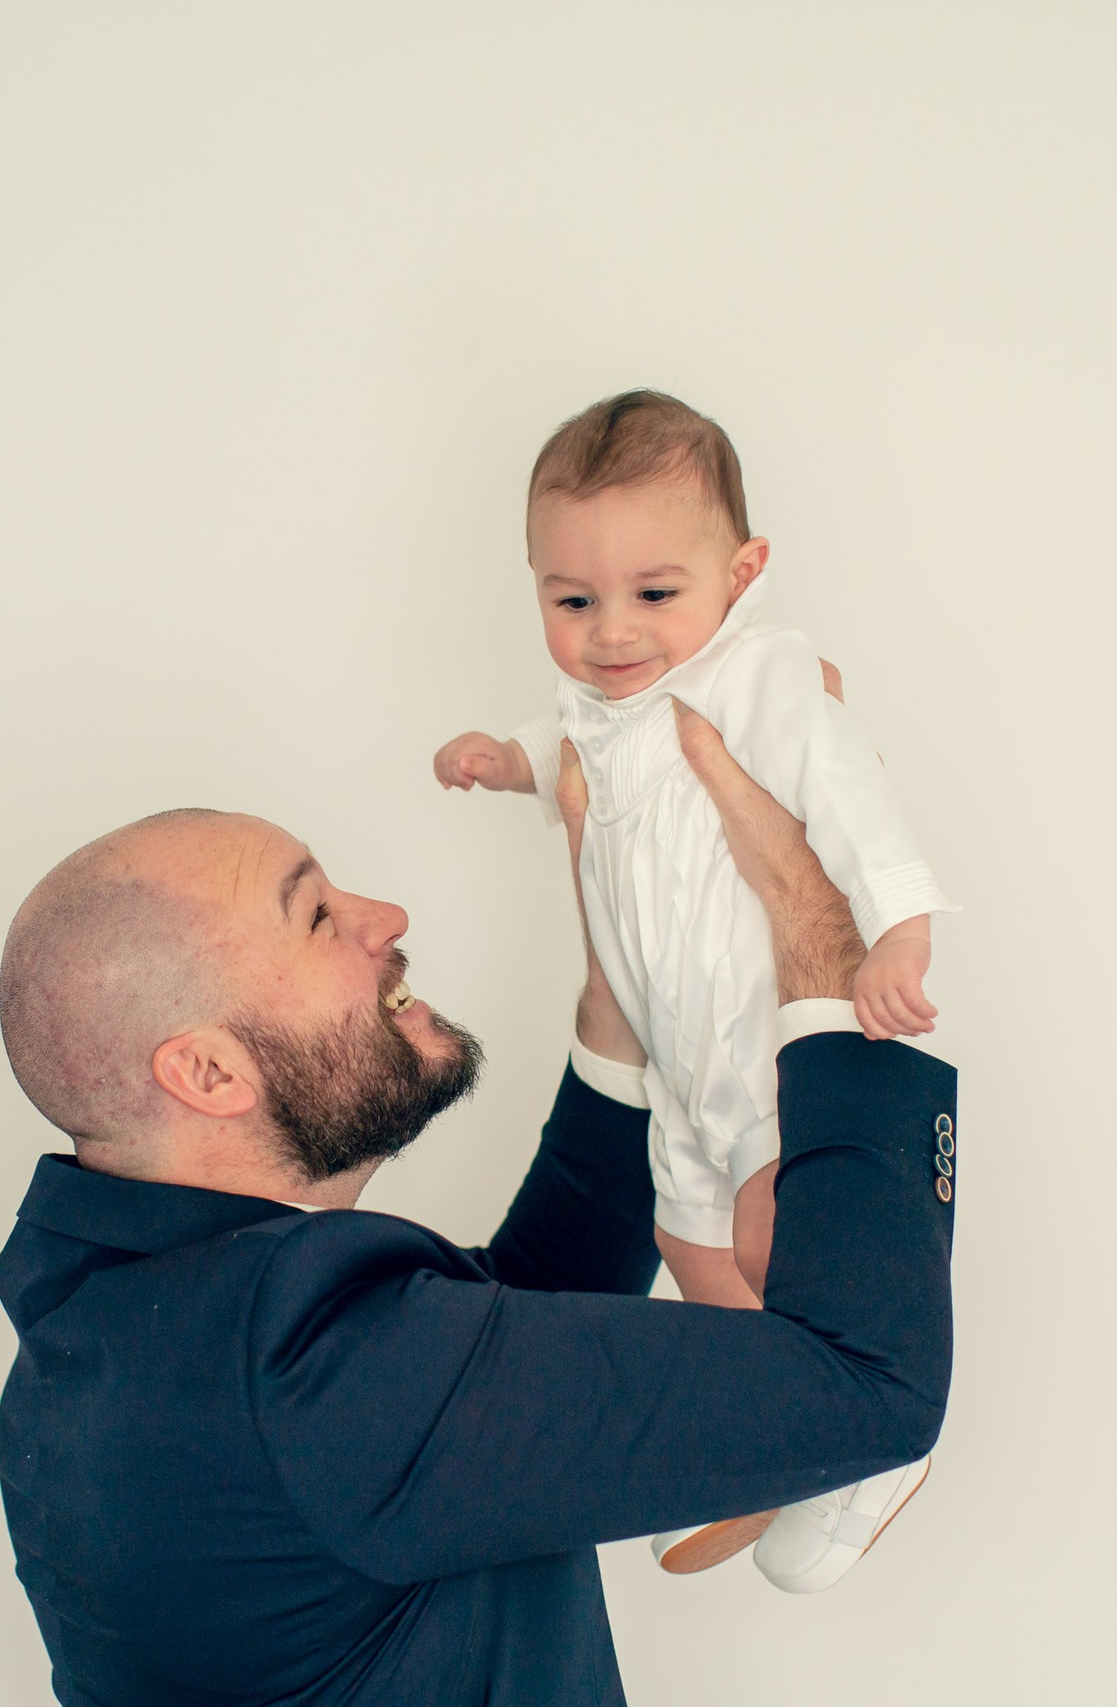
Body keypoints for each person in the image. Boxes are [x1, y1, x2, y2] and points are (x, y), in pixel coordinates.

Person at [0, 716, 958, 1705]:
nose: (385, 916)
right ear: (205, 1070)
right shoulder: (300, 1372)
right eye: (316, 916)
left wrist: (623, 982)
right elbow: (870, 1379)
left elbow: (496, 1347)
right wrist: (820, 928)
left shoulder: (118, 1326)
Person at [431, 388, 958, 1587]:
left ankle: (868, 1436)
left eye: (653, 595)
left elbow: (852, 800)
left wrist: (901, 932)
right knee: (686, 1233)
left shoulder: (763, 678)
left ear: (743, 570)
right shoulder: (593, 704)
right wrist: (503, 760)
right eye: (572, 602)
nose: (612, 632)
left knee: (780, 1239)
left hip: (766, 1041)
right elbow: (558, 744)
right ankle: (758, 1443)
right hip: (677, 1059)